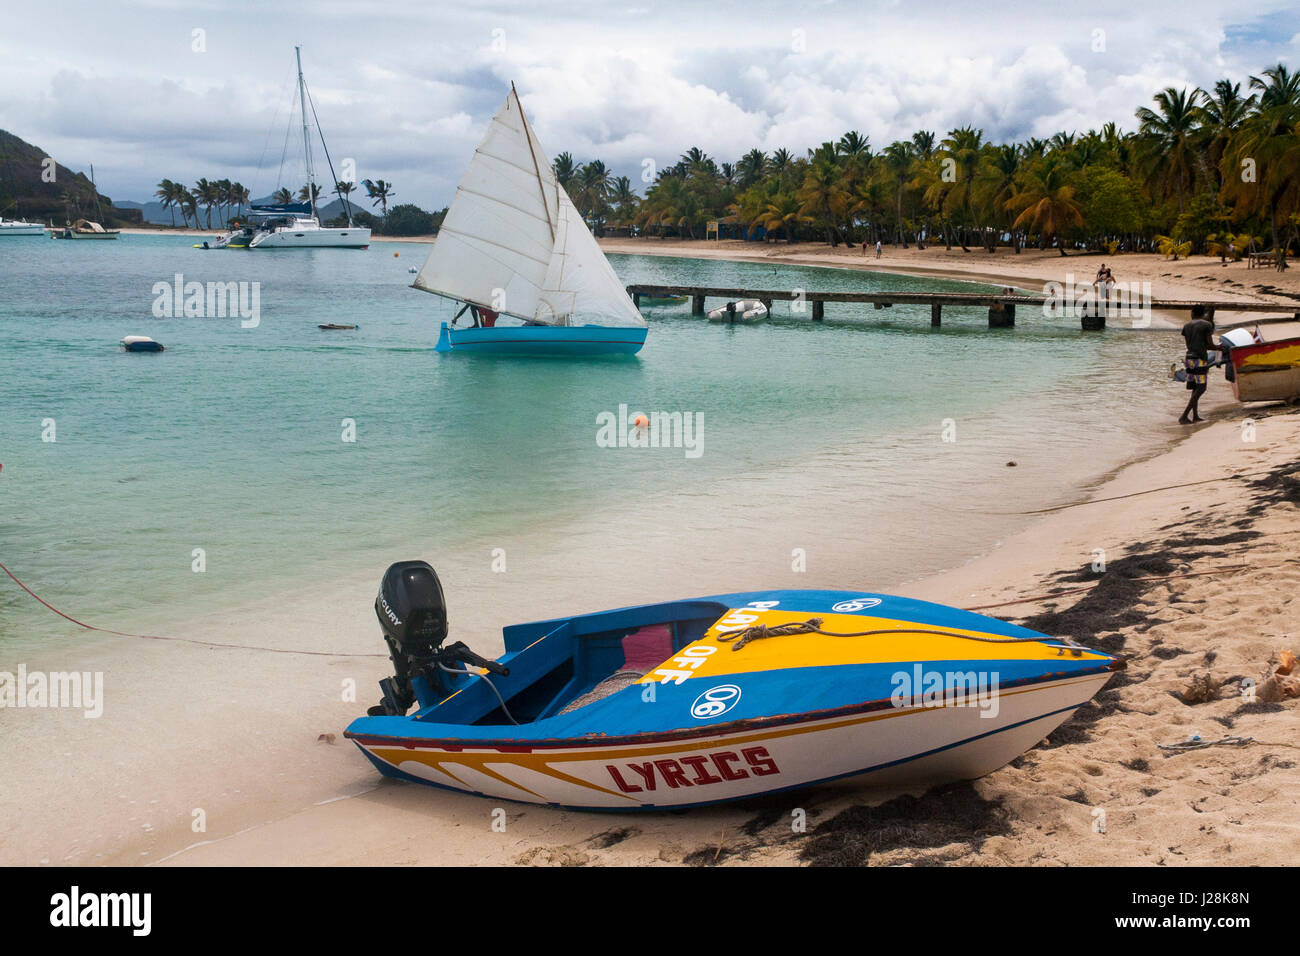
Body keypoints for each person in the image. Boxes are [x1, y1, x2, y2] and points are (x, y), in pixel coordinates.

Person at [1179, 305, 1216, 425]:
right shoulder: (1207, 325)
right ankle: (1184, 416)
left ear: (1194, 313)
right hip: (1200, 359)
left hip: (1189, 358)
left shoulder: (1187, 326)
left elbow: (1189, 344)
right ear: (1203, 313)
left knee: (1195, 387)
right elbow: (1209, 345)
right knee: (1201, 388)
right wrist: (1220, 347)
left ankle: (1195, 416)